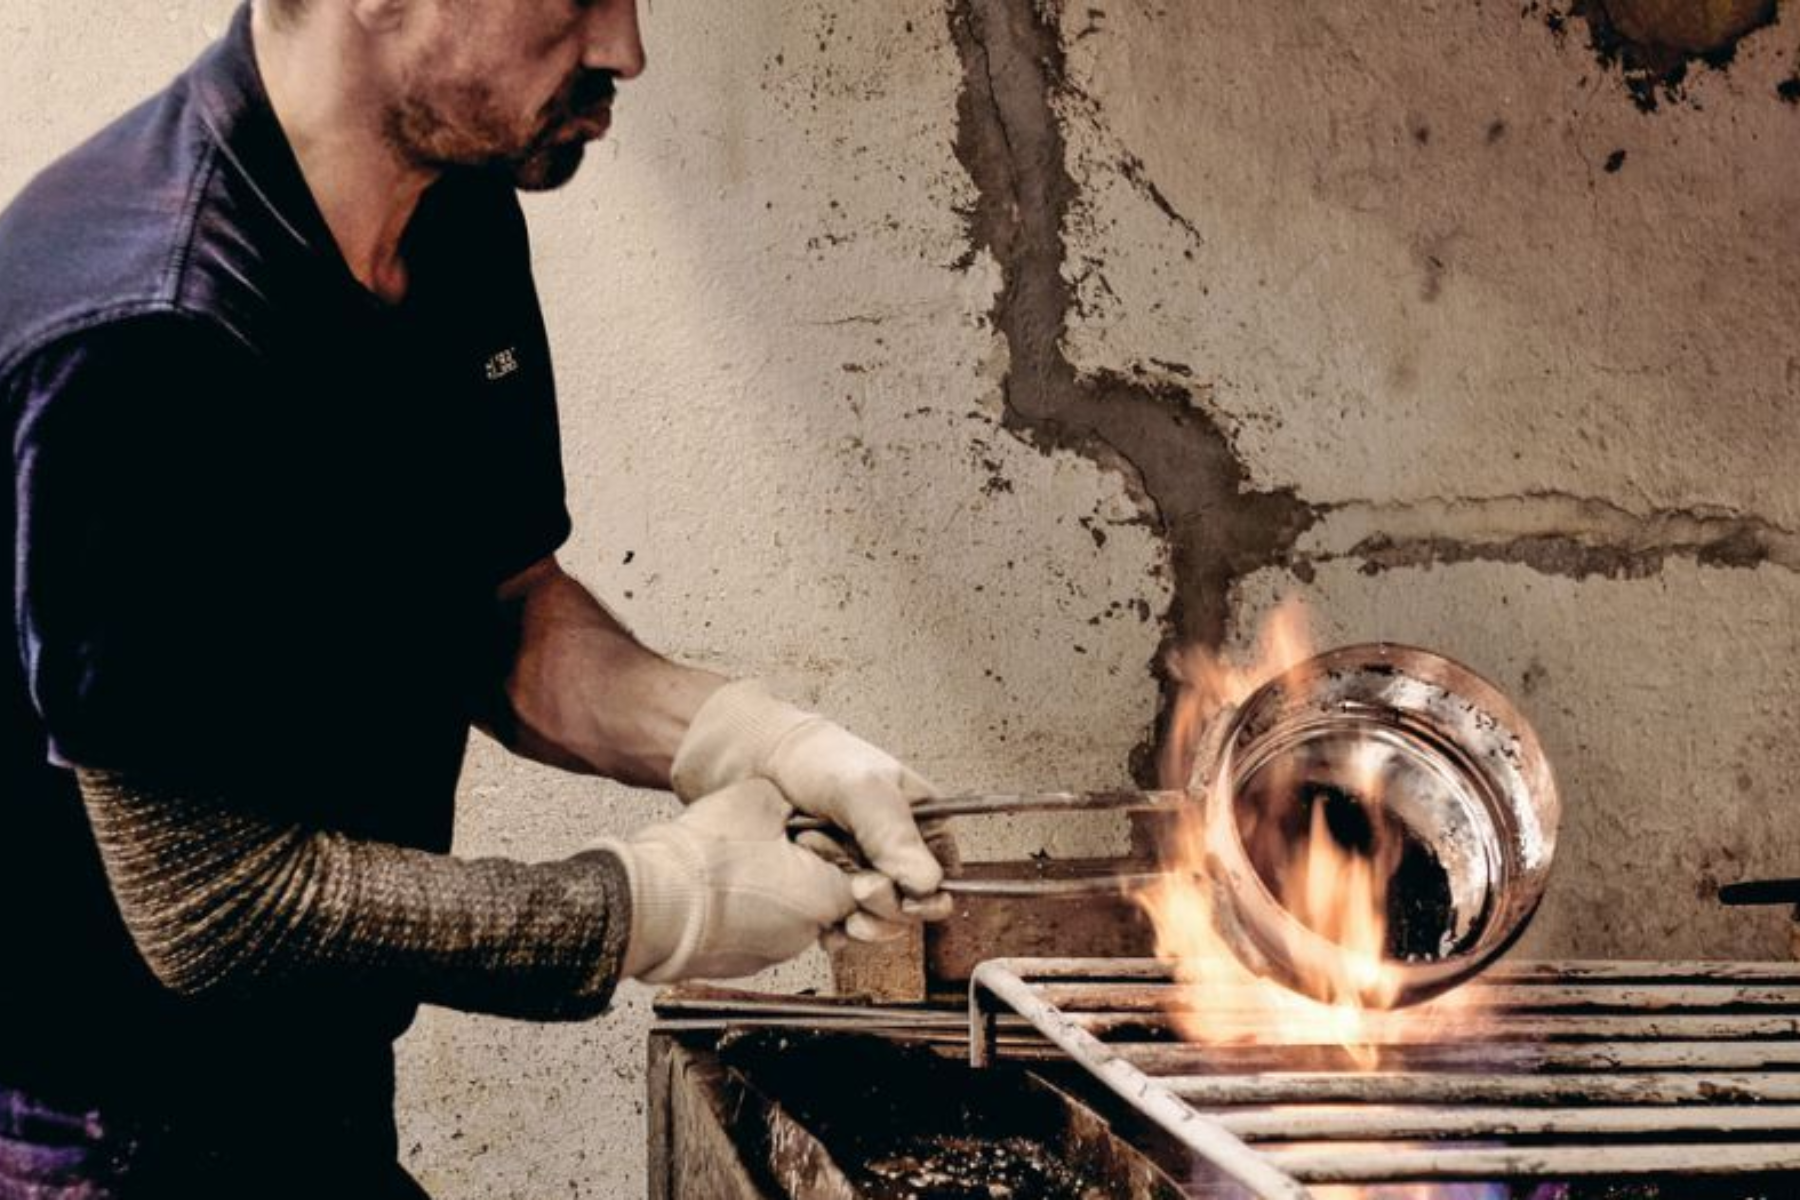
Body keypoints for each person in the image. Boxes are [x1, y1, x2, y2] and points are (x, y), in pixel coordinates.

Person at [0, 1, 953, 1196]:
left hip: (316, 1097)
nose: (625, 50)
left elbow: (499, 610)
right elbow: (212, 908)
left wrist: (742, 734)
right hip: (103, 1145)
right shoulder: (143, 339)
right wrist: (648, 906)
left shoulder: (453, 214)